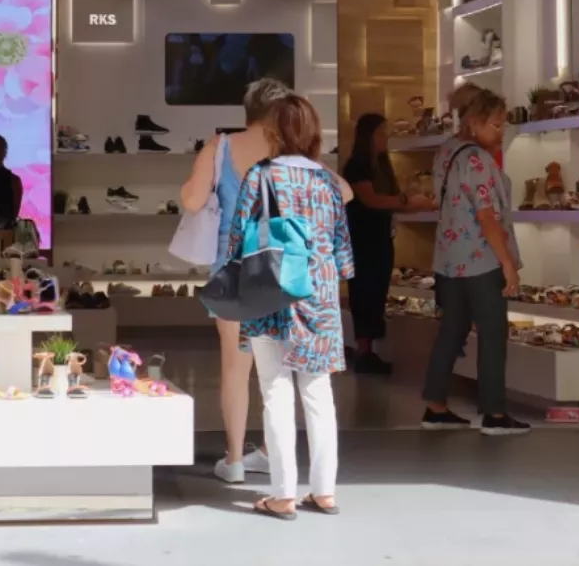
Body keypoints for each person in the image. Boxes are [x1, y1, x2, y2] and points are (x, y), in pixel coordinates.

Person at [226, 94, 353, 519]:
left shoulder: (261, 175)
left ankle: (282, 493)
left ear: (274, 133)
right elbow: (342, 248)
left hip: (272, 291)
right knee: (318, 393)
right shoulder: (327, 181)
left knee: (275, 391)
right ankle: (325, 490)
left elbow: (238, 235)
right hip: (318, 294)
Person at [180, 77, 291, 483]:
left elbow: (192, 200)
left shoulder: (221, 146)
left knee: (234, 367)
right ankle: (272, 453)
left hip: (230, 266)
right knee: (276, 368)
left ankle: (235, 461)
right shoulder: (289, 150)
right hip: (278, 265)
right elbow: (340, 193)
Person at [421, 89, 530, 435]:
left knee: (452, 331)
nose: (501, 133)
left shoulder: (446, 152)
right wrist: (509, 265)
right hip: (480, 261)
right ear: (474, 121)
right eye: (496, 126)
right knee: (493, 332)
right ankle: (495, 414)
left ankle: (436, 406)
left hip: (448, 260)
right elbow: (487, 217)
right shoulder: (478, 160)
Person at [341, 113, 435, 374]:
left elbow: (389, 200)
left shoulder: (381, 166)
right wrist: (407, 202)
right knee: (364, 293)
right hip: (362, 240)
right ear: (368, 136)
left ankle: (368, 350)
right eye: (381, 133)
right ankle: (363, 351)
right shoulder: (357, 166)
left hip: (380, 238)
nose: (386, 138)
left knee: (376, 293)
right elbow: (372, 200)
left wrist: (412, 202)